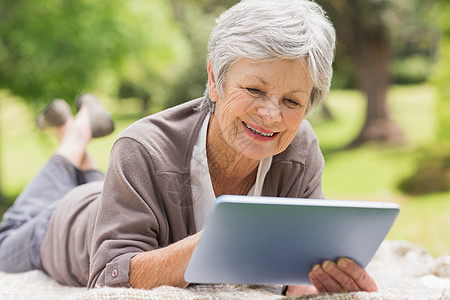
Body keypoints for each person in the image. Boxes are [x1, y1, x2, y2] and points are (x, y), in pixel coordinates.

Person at [0, 0, 378, 296]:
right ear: (215, 80)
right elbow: (107, 278)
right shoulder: (141, 148)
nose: (271, 116)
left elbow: (298, 262)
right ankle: (76, 136)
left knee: (105, 186)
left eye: (293, 102)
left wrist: (313, 278)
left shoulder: (300, 149)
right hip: (63, 224)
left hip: (118, 196)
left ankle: (79, 145)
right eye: (254, 90)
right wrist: (220, 241)